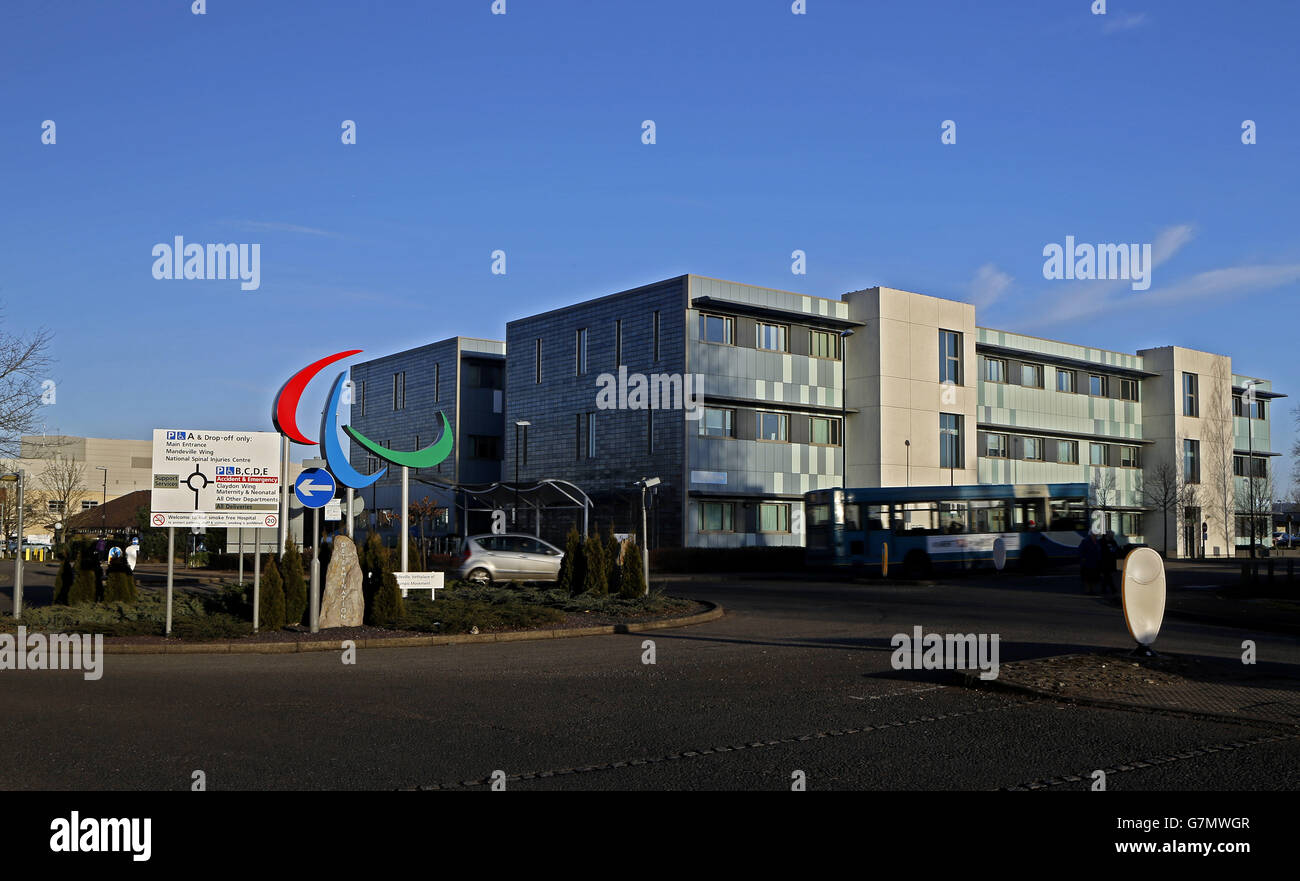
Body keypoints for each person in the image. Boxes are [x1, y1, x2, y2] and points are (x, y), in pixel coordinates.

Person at [1099, 531, 1121, 596]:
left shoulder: (1113, 541)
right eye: (1112, 535)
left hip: (1111, 561)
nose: (1113, 537)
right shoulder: (1102, 542)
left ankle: (1104, 589)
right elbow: (1101, 552)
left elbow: (1116, 549)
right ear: (1108, 535)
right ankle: (1113, 589)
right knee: (1108, 575)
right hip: (1104, 561)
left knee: (1107, 576)